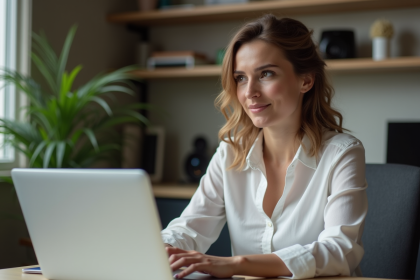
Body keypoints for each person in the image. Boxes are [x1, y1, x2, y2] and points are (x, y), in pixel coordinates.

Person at [161, 14, 368, 279]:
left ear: (306, 80)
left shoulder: (342, 153)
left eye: (266, 74)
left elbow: (340, 250)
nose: (249, 92)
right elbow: (189, 229)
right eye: (241, 78)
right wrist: (159, 248)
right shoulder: (230, 153)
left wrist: (237, 264)